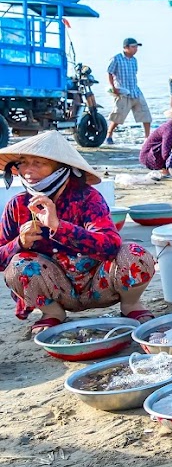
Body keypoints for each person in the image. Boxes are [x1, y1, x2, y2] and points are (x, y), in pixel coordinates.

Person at [0, 132, 156, 335]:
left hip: (99, 284)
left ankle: (130, 304)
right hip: (56, 289)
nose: (28, 170)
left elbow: (111, 245)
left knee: (134, 253)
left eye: (39, 163)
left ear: (61, 168)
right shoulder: (17, 205)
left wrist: (58, 226)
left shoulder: (87, 197)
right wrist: (19, 243)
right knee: (17, 264)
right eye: (23, 163)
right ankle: (52, 312)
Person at [105, 36, 152, 144]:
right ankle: (109, 135)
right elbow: (109, 73)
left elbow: (134, 74)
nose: (136, 49)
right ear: (126, 47)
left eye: (136, 47)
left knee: (146, 115)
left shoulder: (134, 60)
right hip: (123, 92)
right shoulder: (116, 58)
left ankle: (147, 138)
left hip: (135, 91)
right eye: (133, 47)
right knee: (118, 117)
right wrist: (113, 87)